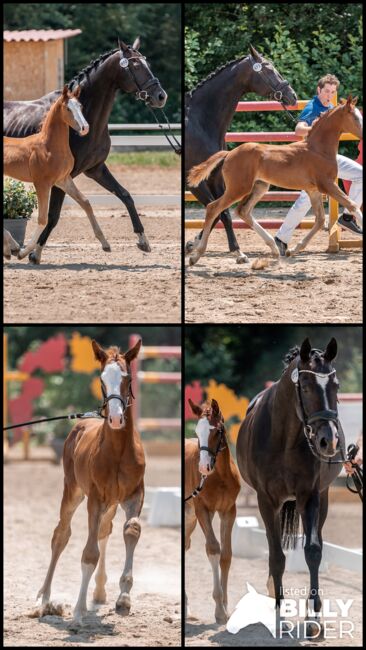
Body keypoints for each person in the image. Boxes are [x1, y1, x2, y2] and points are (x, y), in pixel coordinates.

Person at [274, 74, 363, 255]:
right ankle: (281, 239)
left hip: (329, 159)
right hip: (311, 164)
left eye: (332, 92)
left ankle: (347, 217)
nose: (329, 95)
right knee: (305, 201)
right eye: (326, 91)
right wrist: (312, 127)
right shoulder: (313, 106)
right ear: (319, 90)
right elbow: (298, 129)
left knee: (361, 174)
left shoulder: (331, 107)